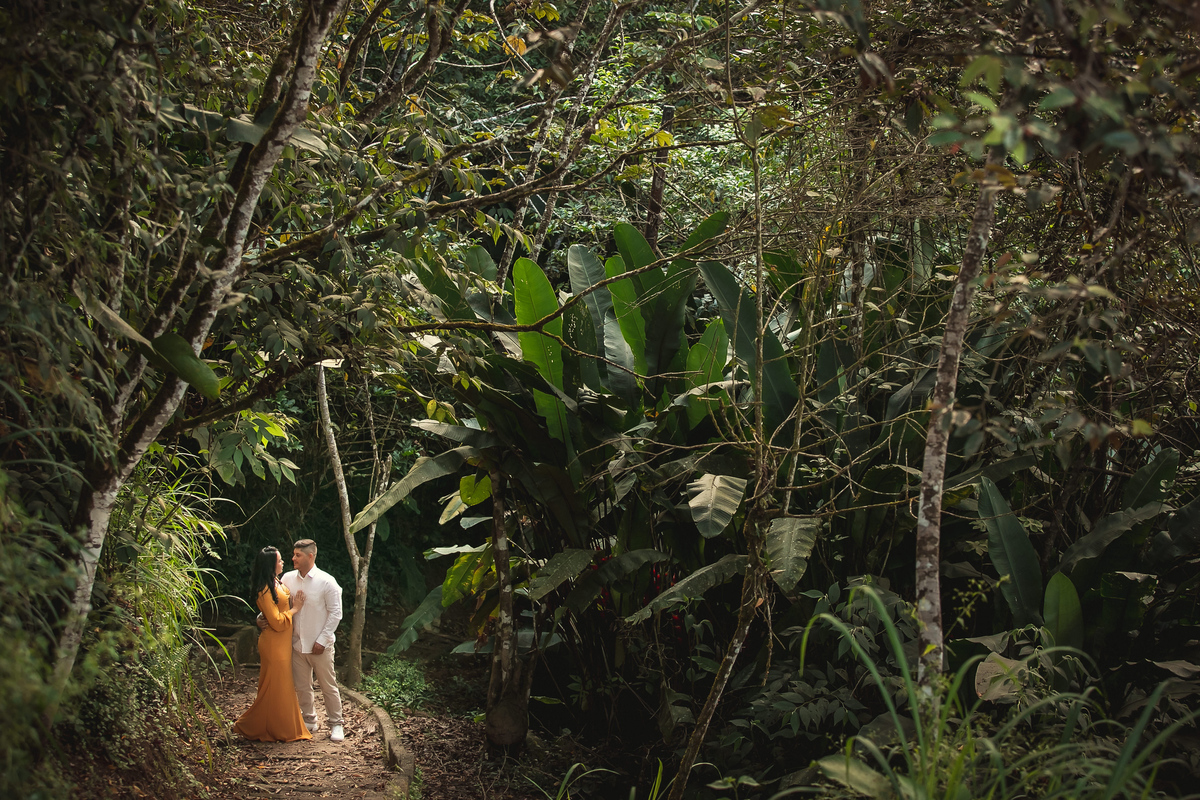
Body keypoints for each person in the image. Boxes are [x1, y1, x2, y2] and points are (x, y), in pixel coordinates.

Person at [233, 546, 312, 742]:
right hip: (273, 644)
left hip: (282, 643)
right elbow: (276, 621)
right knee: (276, 686)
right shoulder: (264, 589)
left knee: (279, 686)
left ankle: (275, 726)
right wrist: (295, 609)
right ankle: (255, 725)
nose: (283, 562)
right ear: (271, 564)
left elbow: (272, 610)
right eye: (279, 560)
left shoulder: (276, 582)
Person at [280, 538, 345, 742]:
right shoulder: (287, 578)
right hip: (297, 644)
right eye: (293, 554)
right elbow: (277, 603)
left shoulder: (327, 581)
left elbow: (336, 613)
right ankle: (309, 720)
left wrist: (322, 640)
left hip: (321, 647)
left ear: (310, 556)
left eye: (298, 555)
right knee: (302, 685)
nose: (293, 558)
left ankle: (336, 724)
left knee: (328, 686)